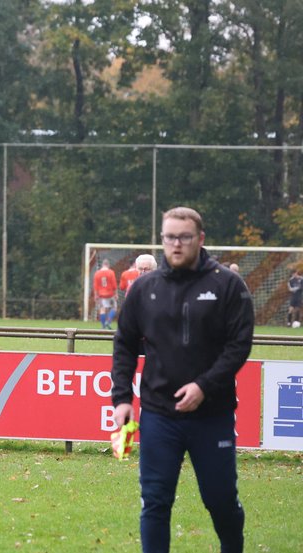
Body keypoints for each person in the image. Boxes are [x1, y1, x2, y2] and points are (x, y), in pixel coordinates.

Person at [111, 207, 254, 553]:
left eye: (184, 237)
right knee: (155, 502)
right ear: (162, 239)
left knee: (221, 502)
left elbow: (239, 346)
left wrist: (204, 386)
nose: (176, 244)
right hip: (160, 415)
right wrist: (122, 399)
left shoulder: (227, 285)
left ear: (200, 239)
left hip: (212, 416)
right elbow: (125, 345)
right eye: (169, 237)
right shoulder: (144, 289)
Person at [93, 258, 117, 329]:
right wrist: (116, 294)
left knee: (102, 309)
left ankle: (103, 326)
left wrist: (96, 295)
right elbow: (114, 285)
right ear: (108, 265)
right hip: (110, 294)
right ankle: (108, 322)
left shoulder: (97, 273)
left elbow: (95, 286)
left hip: (101, 295)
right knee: (114, 308)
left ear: (103, 265)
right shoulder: (111, 272)